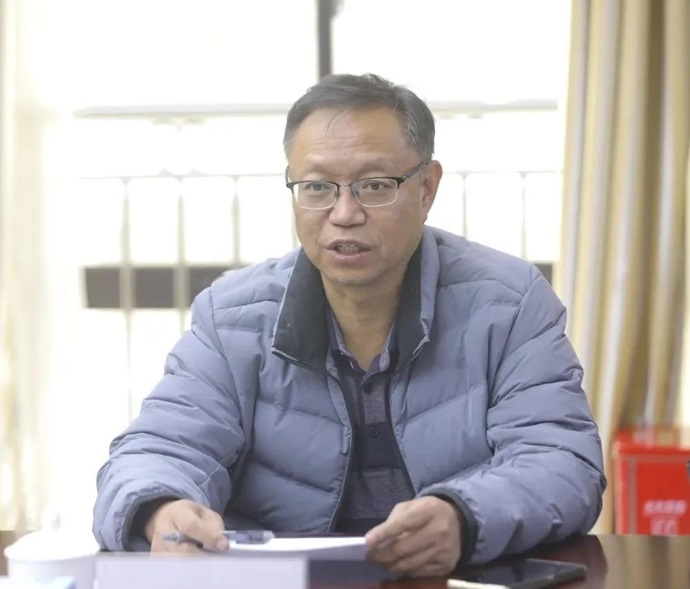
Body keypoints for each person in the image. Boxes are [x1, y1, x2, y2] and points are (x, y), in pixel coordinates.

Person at [93, 73, 606, 577]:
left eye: (375, 186)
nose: (344, 213)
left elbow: (561, 460)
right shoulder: (231, 318)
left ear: (427, 188)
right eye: (317, 187)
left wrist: (464, 517)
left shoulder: (509, 303)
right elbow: (158, 450)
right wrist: (161, 510)